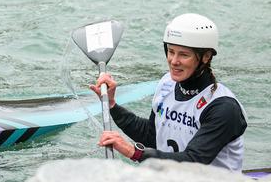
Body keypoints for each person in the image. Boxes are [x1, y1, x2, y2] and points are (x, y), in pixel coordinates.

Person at [90, 13, 246, 171]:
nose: (174, 61)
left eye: (184, 54)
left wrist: (134, 152)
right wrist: (112, 105)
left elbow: (194, 160)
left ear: (205, 57)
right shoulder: (167, 84)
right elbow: (151, 135)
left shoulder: (223, 107)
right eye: (171, 51)